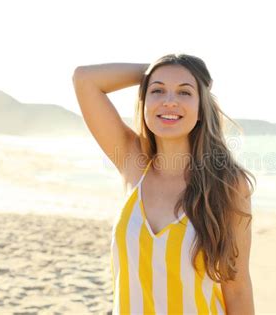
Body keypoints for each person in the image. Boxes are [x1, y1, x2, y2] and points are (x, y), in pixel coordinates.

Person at [72, 54, 256, 314]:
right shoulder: (133, 161)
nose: (170, 101)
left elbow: (236, 288)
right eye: (158, 91)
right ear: (144, 102)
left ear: (202, 107)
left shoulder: (227, 184)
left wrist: (163, 76)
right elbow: (85, 79)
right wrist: (153, 70)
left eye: (185, 92)